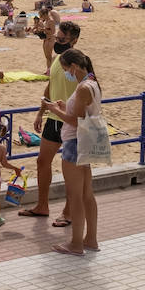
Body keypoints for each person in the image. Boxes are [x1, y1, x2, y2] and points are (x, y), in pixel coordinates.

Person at [18, 20, 81, 223]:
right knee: (42, 162)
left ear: (74, 40)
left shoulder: (80, 61)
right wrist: (40, 111)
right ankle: (42, 205)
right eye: (57, 38)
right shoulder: (56, 60)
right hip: (53, 118)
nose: (59, 42)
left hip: (71, 120)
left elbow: (89, 87)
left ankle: (69, 212)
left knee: (69, 168)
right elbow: (50, 85)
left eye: (63, 39)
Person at [44, 49, 101, 256]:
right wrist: (63, 107)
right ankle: (90, 238)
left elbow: (74, 120)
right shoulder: (92, 82)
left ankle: (76, 243)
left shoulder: (83, 87)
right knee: (87, 194)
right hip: (84, 141)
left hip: (74, 142)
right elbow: (80, 113)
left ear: (74, 67)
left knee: (75, 195)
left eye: (67, 69)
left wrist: (54, 110)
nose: (67, 73)